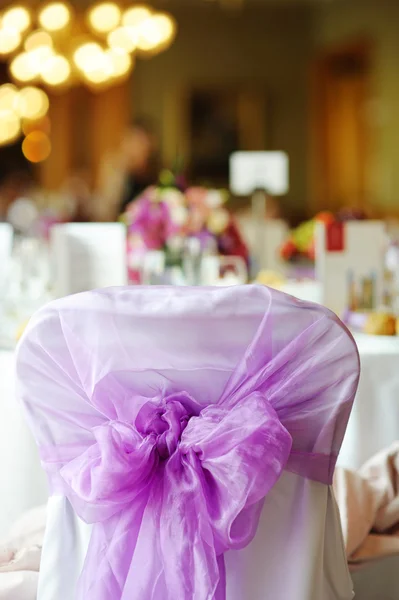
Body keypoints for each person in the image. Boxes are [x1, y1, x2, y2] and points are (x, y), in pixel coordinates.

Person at [94, 117, 160, 222]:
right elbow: (104, 211)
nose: (134, 148)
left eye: (140, 143)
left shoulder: (156, 174)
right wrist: (118, 172)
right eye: (130, 141)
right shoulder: (117, 168)